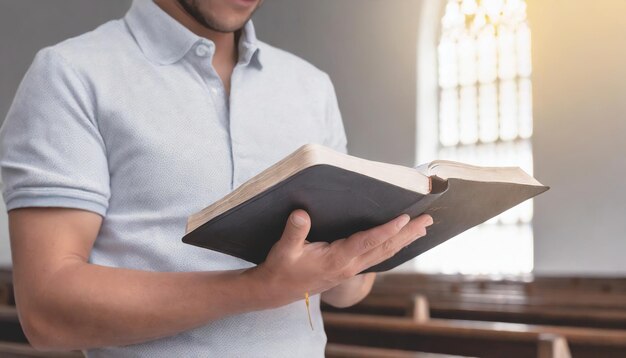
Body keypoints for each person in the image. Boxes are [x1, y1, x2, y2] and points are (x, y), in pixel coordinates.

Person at [0, 0, 433, 356]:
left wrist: (360, 256)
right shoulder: (70, 74)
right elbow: (47, 311)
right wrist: (257, 288)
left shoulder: (310, 86)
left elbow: (342, 293)